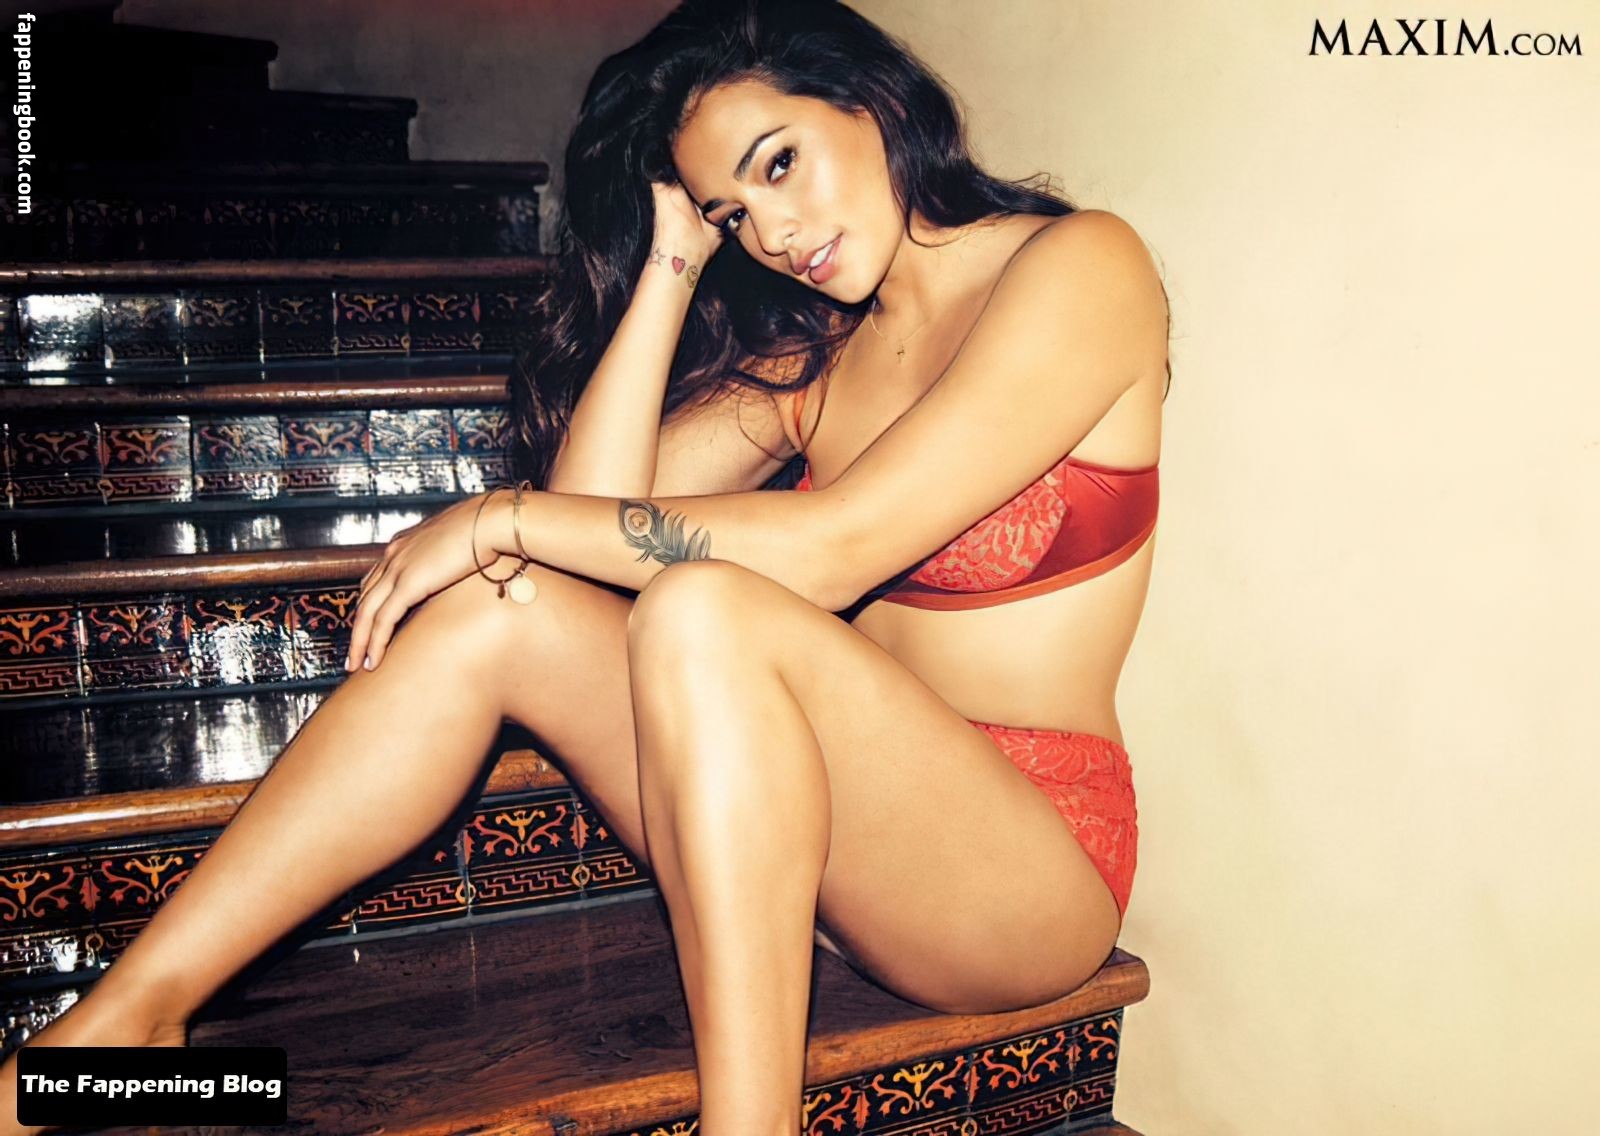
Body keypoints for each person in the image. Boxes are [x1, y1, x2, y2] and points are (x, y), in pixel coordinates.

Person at [0, 0, 1171, 1132]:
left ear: (876, 101)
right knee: (501, 609)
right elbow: (585, 528)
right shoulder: (822, 354)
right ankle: (124, 1021)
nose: (772, 233)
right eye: (732, 211)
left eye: (779, 163)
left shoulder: (1081, 266)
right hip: (820, 850)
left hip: (1023, 877)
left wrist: (497, 514)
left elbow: (834, 549)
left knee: (702, 607)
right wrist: (673, 261)